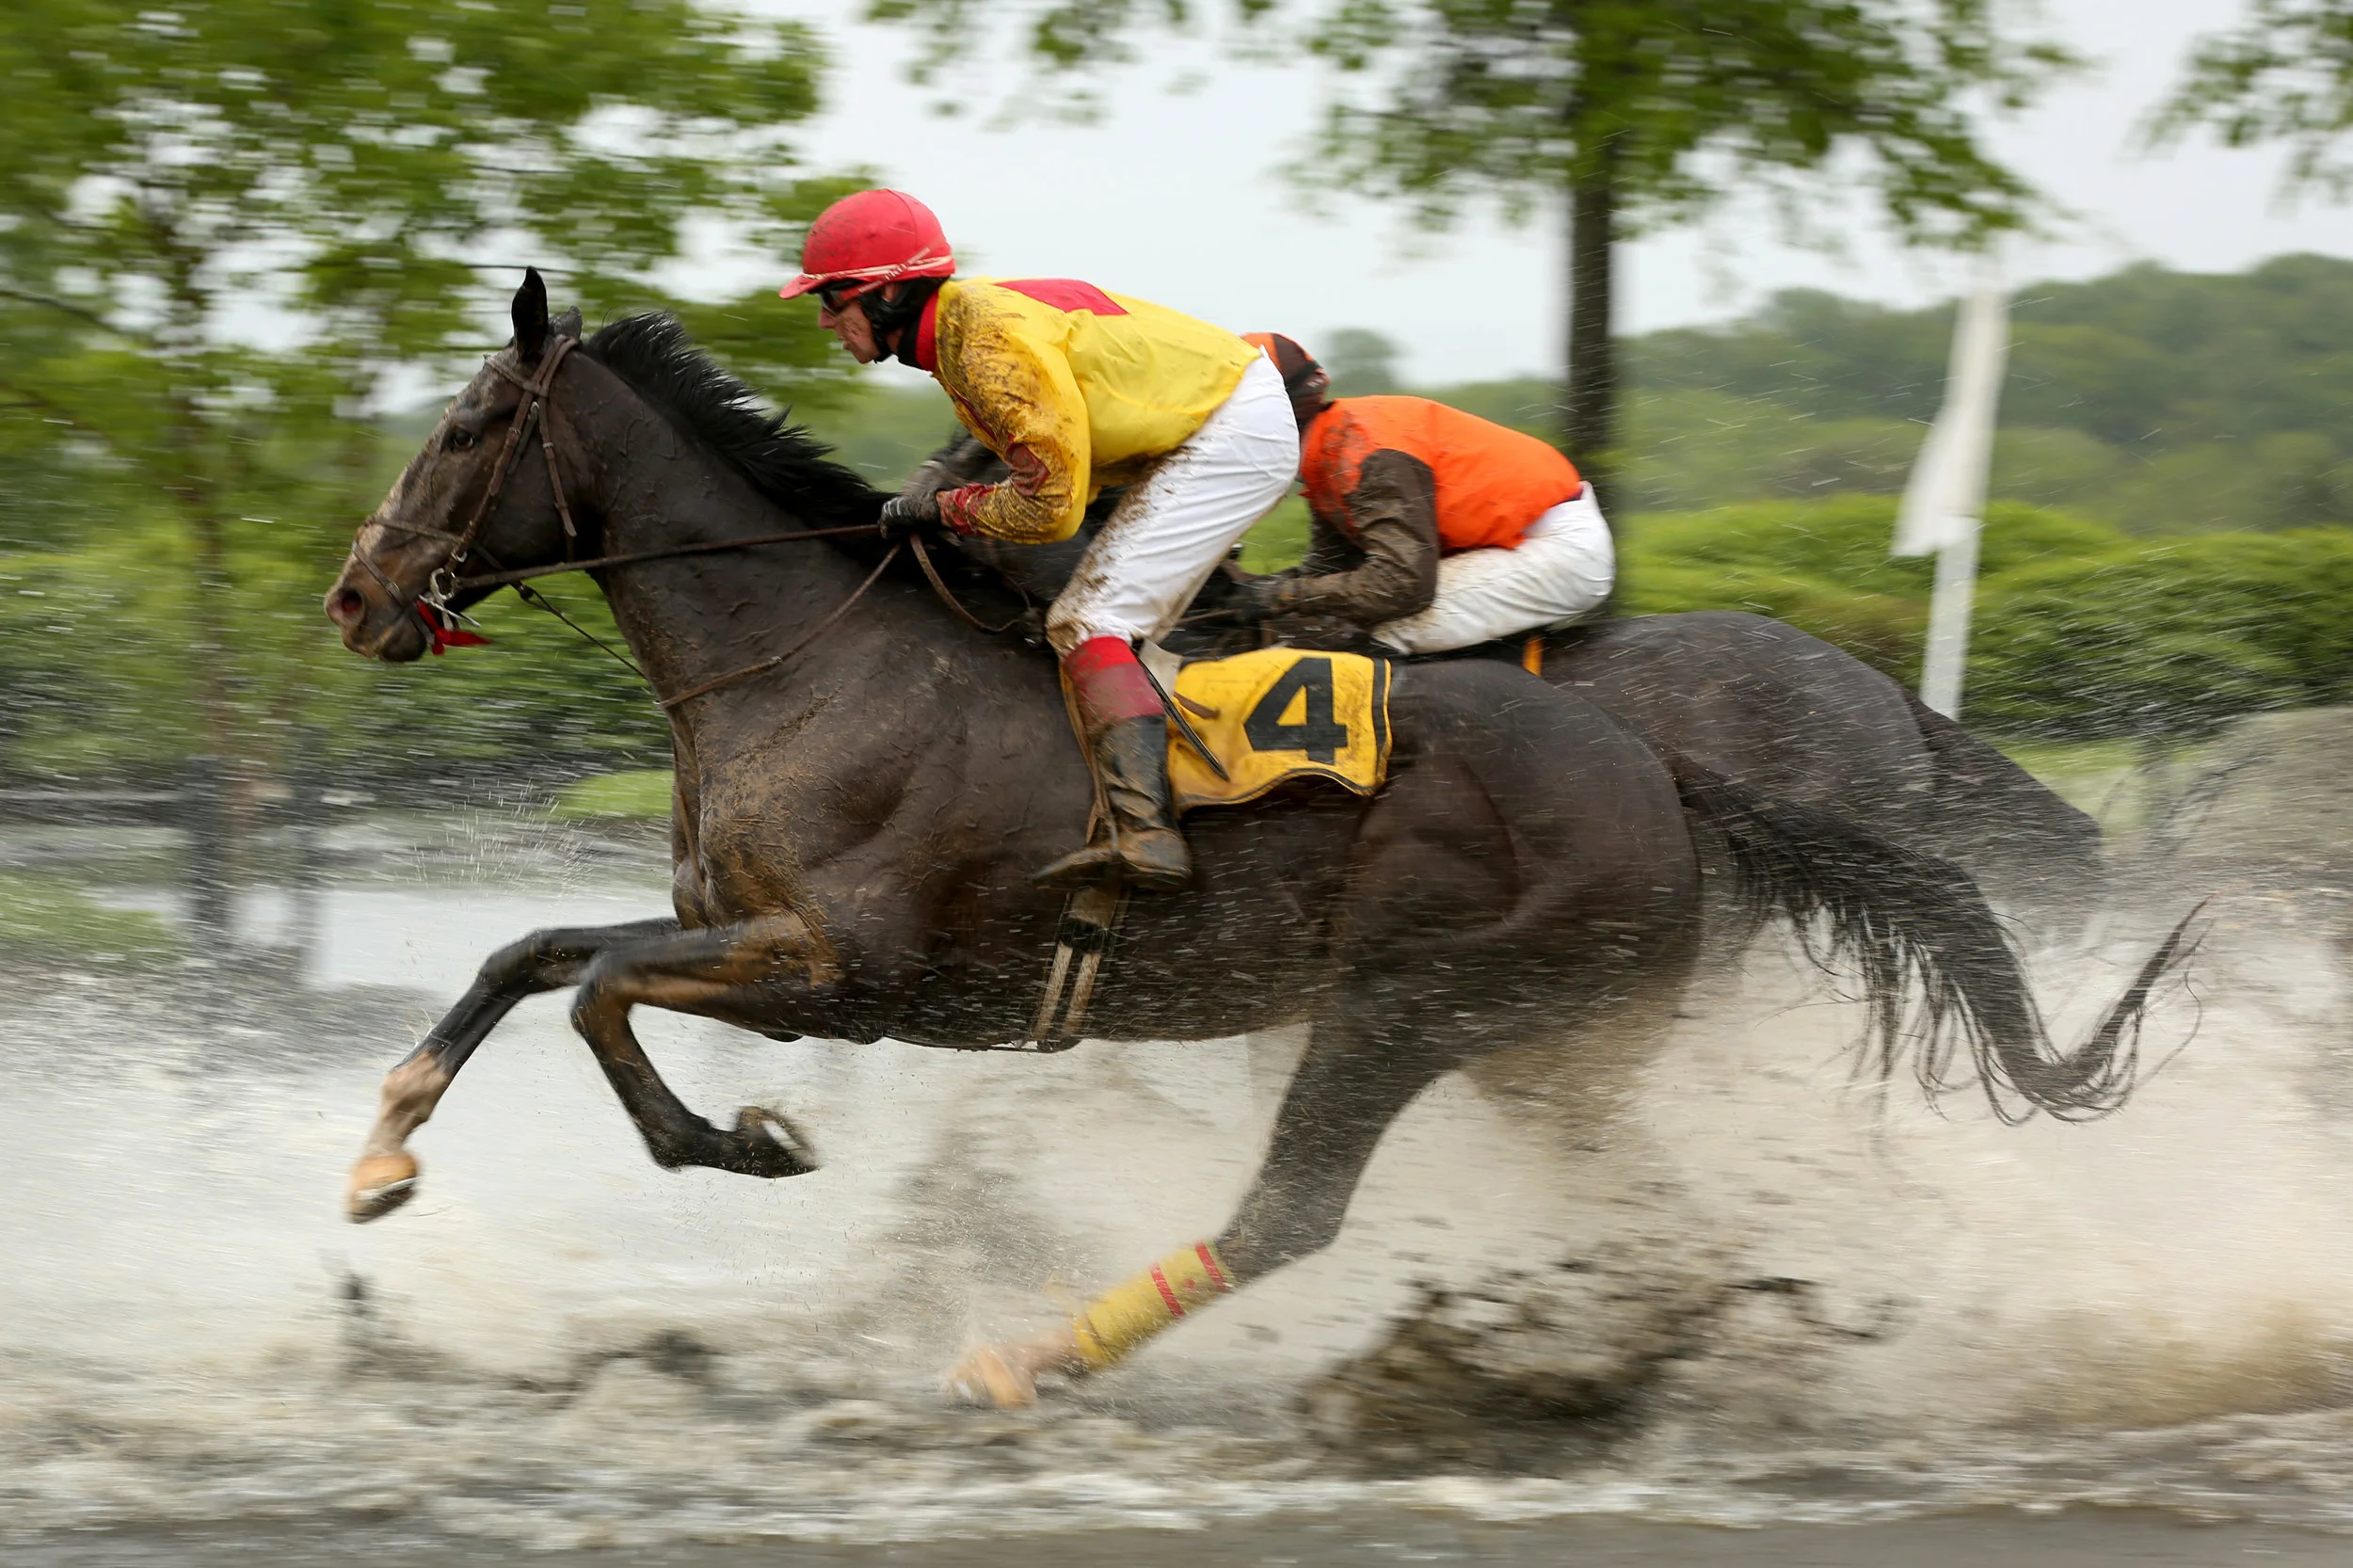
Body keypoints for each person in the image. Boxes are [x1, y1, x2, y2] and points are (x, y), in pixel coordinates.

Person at [780, 189, 1297, 892]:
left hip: (1228, 431)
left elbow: (1050, 509)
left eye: (834, 299)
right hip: (1209, 421)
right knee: (1082, 611)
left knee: (1089, 621)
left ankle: (1148, 834)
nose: (824, 320)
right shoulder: (963, 329)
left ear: (891, 294)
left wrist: (945, 510)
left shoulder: (984, 343)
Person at [1231, 334, 1615, 654]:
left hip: (1553, 553)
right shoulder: (1331, 452)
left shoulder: (1365, 456)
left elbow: (1400, 587)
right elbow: (1331, 574)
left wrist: (1277, 596)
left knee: (1384, 630)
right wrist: (1244, 591)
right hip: (1521, 547)